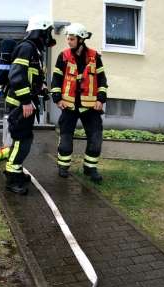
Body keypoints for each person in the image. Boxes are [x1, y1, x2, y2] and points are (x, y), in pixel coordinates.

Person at [3, 15, 56, 194]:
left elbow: (29, 75)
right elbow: (16, 76)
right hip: (20, 104)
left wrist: (40, 87)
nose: (49, 36)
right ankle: (12, 178)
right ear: (40, 31)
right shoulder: (26, 48)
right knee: (22, 140)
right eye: (48, 32)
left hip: (25, 103)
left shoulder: (33, 50)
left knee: (24, 139)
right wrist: (26, 100)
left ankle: (16, 171)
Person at [51, 23, 108, 183]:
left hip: (91, 106)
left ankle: (90, 168)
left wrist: (100, 99)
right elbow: (56, 79)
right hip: (69, 105)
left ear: (81, 39)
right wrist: (57, 98)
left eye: (72, 39)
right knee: (66, 138)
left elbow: (102, 80)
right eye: (68, 38)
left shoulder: (94, 57)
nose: (69, 41)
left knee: (96, 138)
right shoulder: (63, 56)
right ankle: (63, 166)